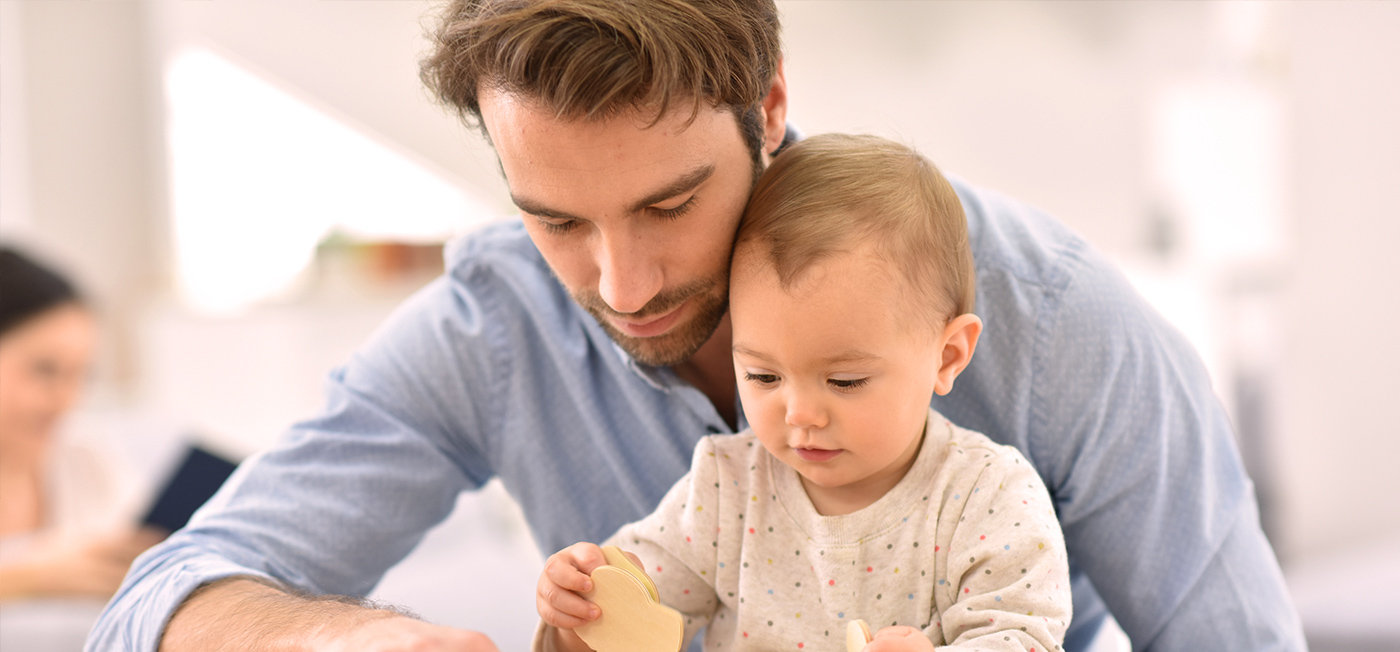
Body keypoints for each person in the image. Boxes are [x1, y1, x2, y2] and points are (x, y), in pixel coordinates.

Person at [89, 1, 1305, 650]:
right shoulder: (492, 326)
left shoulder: (1054, 322)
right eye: (555, 219)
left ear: (767, 104)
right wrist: (337, 642)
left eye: (669, 203)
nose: (621, 285)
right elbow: (156, 600)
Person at [535, 134, 1072, 652]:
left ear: (948, 355)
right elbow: (632, 617)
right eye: (764, 376)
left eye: (844, 381)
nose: (800, 414)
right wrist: (578, 608)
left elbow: (1024, 638)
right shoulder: (725, 488)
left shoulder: (989, 496)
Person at [0, 248, 164, 602]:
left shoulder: (86, 459)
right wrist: (24, 575)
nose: (66, 400)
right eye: (45, 370)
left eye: (81, 375)